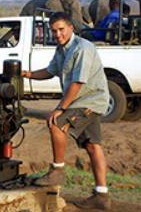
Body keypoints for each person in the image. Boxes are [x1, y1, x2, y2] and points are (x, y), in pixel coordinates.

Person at [22, 12, 111, 210]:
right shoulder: (61, 49)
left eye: (61, 29)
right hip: (81, 101)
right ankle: (102, 195)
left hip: (90, 100)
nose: (58, 34)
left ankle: (58, 171)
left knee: (55, 123)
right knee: (92, 146)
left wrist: (60, 108)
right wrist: (27, 74)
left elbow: (78, 83)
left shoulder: (83, 48)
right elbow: (50, 71)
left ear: (71, 27)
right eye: (54, 31)